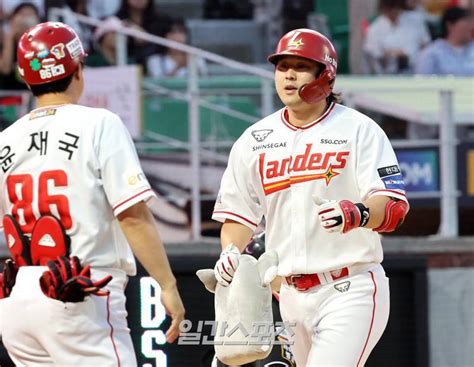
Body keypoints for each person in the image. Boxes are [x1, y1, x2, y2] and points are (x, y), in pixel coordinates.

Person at [212, 29, 409, 366]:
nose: (288, 74)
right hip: (288, 293)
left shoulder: (358, 129)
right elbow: (237, 217)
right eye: (282, 65)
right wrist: (230, 251)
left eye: (301, 66)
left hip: (349, 287)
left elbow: (393, 207)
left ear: (326, 76)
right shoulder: (254, 139)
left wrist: (356, 213)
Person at [0, 22, 185, 365]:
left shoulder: (5, 139)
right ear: (78, 70)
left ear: (27, 78)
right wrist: (168, 284)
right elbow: (131, 214)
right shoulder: (100, 123)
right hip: (78, 293)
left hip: (16, 300)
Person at [363, 0, 430, 74]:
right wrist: (390, 55)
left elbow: (426, 46)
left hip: (415, 73)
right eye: (391, 7)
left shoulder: (416, 20)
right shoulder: (375, 28)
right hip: (386, 76)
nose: (394, 11)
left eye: (397, 7)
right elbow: (372, 57)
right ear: (384, 8)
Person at [415, 6, 474, 75]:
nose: (472, 26)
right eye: (468, 22)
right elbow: (422, 82)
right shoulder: (432, 53)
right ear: (450, 25)